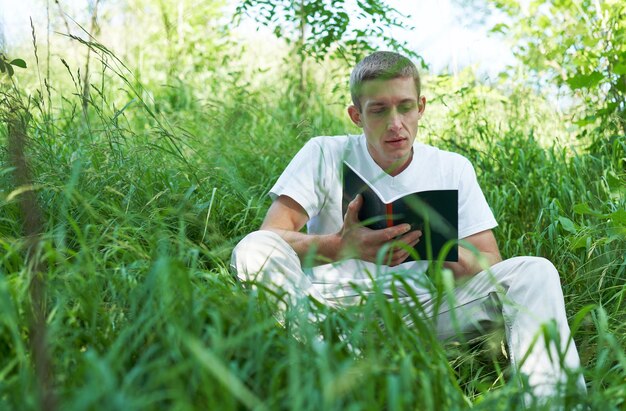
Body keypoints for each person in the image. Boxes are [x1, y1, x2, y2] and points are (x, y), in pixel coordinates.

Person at [231, 51, 585, 406]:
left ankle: (554, 403)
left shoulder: (452, 168)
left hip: (419, 316)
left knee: (535, 271)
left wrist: (445, 251)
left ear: (421, 108)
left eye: (405, 107)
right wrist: (339, 246)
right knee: (251, 247)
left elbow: (490, 261)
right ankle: (336, 365)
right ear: (357, 115)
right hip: (324, 314)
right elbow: (270, 238)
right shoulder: (324, 153)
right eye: (379, 110)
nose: (395, 123)